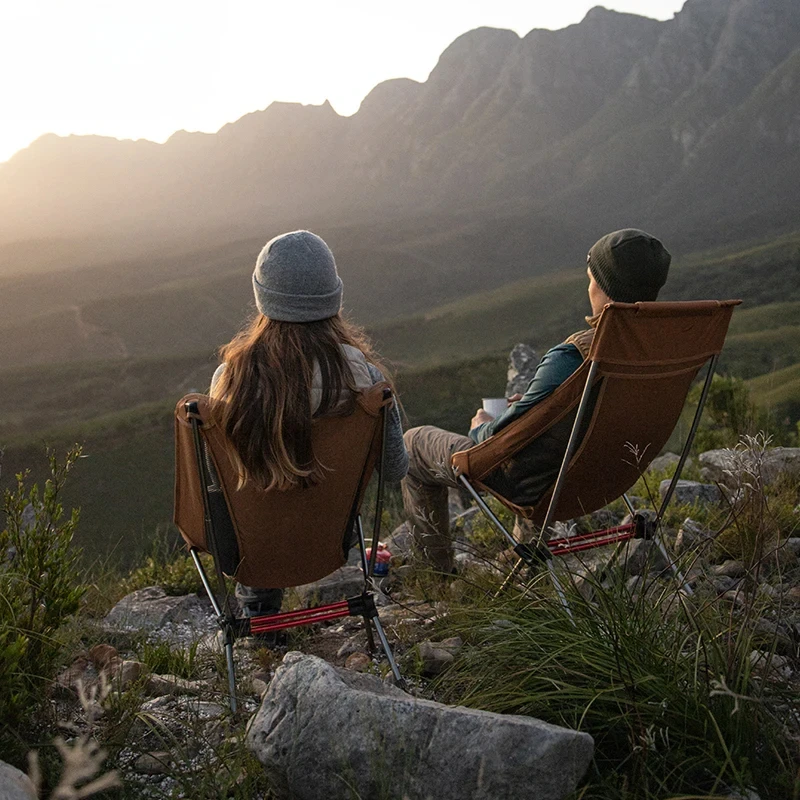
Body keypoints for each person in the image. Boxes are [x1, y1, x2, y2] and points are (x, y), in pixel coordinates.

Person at [401, 228, 671, 573]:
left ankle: (435, 575)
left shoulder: (574, 356)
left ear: (605, 288)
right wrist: (534, 408)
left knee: (413, 444)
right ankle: (525, 550)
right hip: (613, 473)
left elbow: (506, 438)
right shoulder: (661, 350)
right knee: (545, 438)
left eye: (591, 279)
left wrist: (483, 429)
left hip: (543, 485)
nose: (587, 286)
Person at [210, 230, 408, 618]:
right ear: (332, 296)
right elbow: (396, 469)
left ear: (262, 297)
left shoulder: (228, 381)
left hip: (253, 546)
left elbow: (214, 481)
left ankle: (260, 622)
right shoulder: (365, 380)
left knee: (247, 500)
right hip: (330, 541)